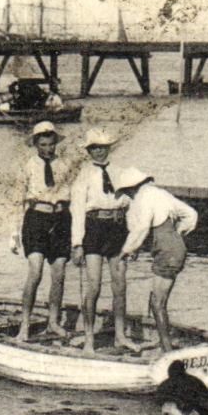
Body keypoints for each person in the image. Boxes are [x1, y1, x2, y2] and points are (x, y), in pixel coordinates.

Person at [114, 167, 198, 352]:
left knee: (157, 303)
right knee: (158, 300)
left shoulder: (143, 198)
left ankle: (166, 350)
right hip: (176, 247)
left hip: (166, 251)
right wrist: (178, 232)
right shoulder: (161, 194)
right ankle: (164, 343)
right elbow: (191, 214)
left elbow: (141, 228)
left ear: (131, 188)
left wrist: (126, 251)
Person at [69, 128, 135, 354]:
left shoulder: (120, 172)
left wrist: (133, 240)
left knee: (120, 284)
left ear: (109, 148)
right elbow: (77, 210)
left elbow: (130, 205)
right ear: (88, 151)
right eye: (94, 148)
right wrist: (77, 244)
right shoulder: (83, 175)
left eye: (102, 147)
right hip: (94, 228)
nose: (99, 152)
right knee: (94, 285)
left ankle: (120, 336)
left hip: (117, 228)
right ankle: (89, 339)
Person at [17, 121, 77, 341]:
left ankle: (53, 321)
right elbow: (16, 200)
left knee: (59, 272)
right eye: (43, 144)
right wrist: (13, 235)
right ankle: (25, 323)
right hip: (36, 218)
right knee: (35, 271)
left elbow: (74, 196)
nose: (48, 149)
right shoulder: (28, 165)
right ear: (36, 144)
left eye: (51, 144)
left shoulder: (65, 164)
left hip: (61, 218)